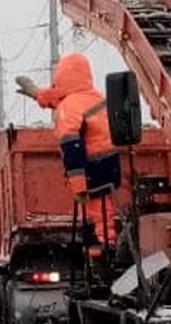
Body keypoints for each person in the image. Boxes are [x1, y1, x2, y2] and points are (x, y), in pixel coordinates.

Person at [16, 54, 120, 247]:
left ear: (61, 76)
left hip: (91, 170)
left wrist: (79, 186)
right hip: (109, 165)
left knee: (98, 218)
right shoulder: (94, 96)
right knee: (105, 213)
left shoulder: (69, 107)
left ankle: (102, 252)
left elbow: (72, 149)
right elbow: (63, 97)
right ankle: (104, 248)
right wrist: (38, 94)